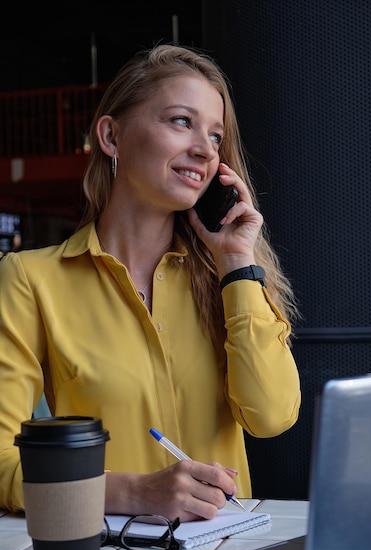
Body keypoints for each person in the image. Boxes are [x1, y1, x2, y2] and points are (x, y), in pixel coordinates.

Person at [0, 44, 301, 522]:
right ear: (111, 136)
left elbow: (271, 417)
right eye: (182, 121)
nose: (205, 148)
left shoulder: (227, 279)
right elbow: (3, 465)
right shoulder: (31, 279)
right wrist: (136, 493)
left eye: (216, 134)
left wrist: (238, 266)